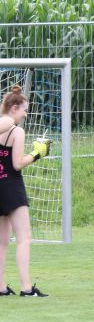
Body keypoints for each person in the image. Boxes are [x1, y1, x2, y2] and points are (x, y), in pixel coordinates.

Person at [0, 85, 51, 298]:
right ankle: (27, 288)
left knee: (2, 241)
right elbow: (17, 164)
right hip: (11, 188)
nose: (25, 114)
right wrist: (38, 153)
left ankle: (1, 288)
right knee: (24, 237)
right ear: (14, 108)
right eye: (24, 110)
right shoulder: (15, 130)